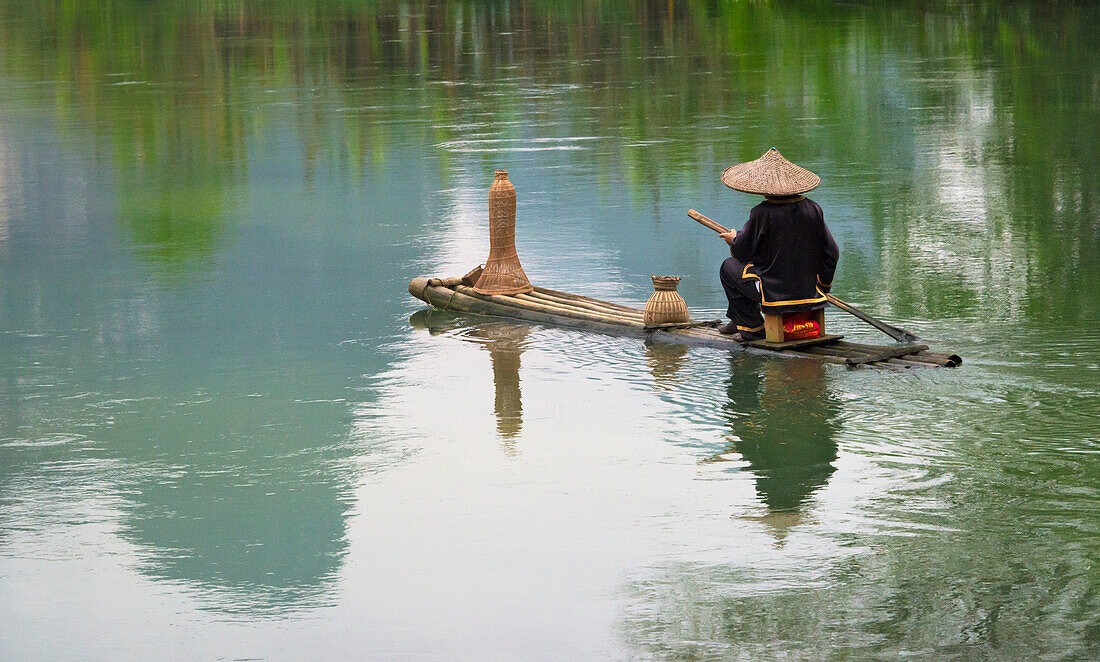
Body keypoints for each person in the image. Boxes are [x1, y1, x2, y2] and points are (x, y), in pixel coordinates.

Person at [716, 148, 840, 341]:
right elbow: (832, 252)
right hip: (808, 294)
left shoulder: (761, 213)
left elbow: (741, 252)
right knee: (744, 271)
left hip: (774, 293)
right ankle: (737, 320)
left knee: (728, 268)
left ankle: (752, 328)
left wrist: (733, 239)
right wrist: (823, 286)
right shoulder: (814, 209)